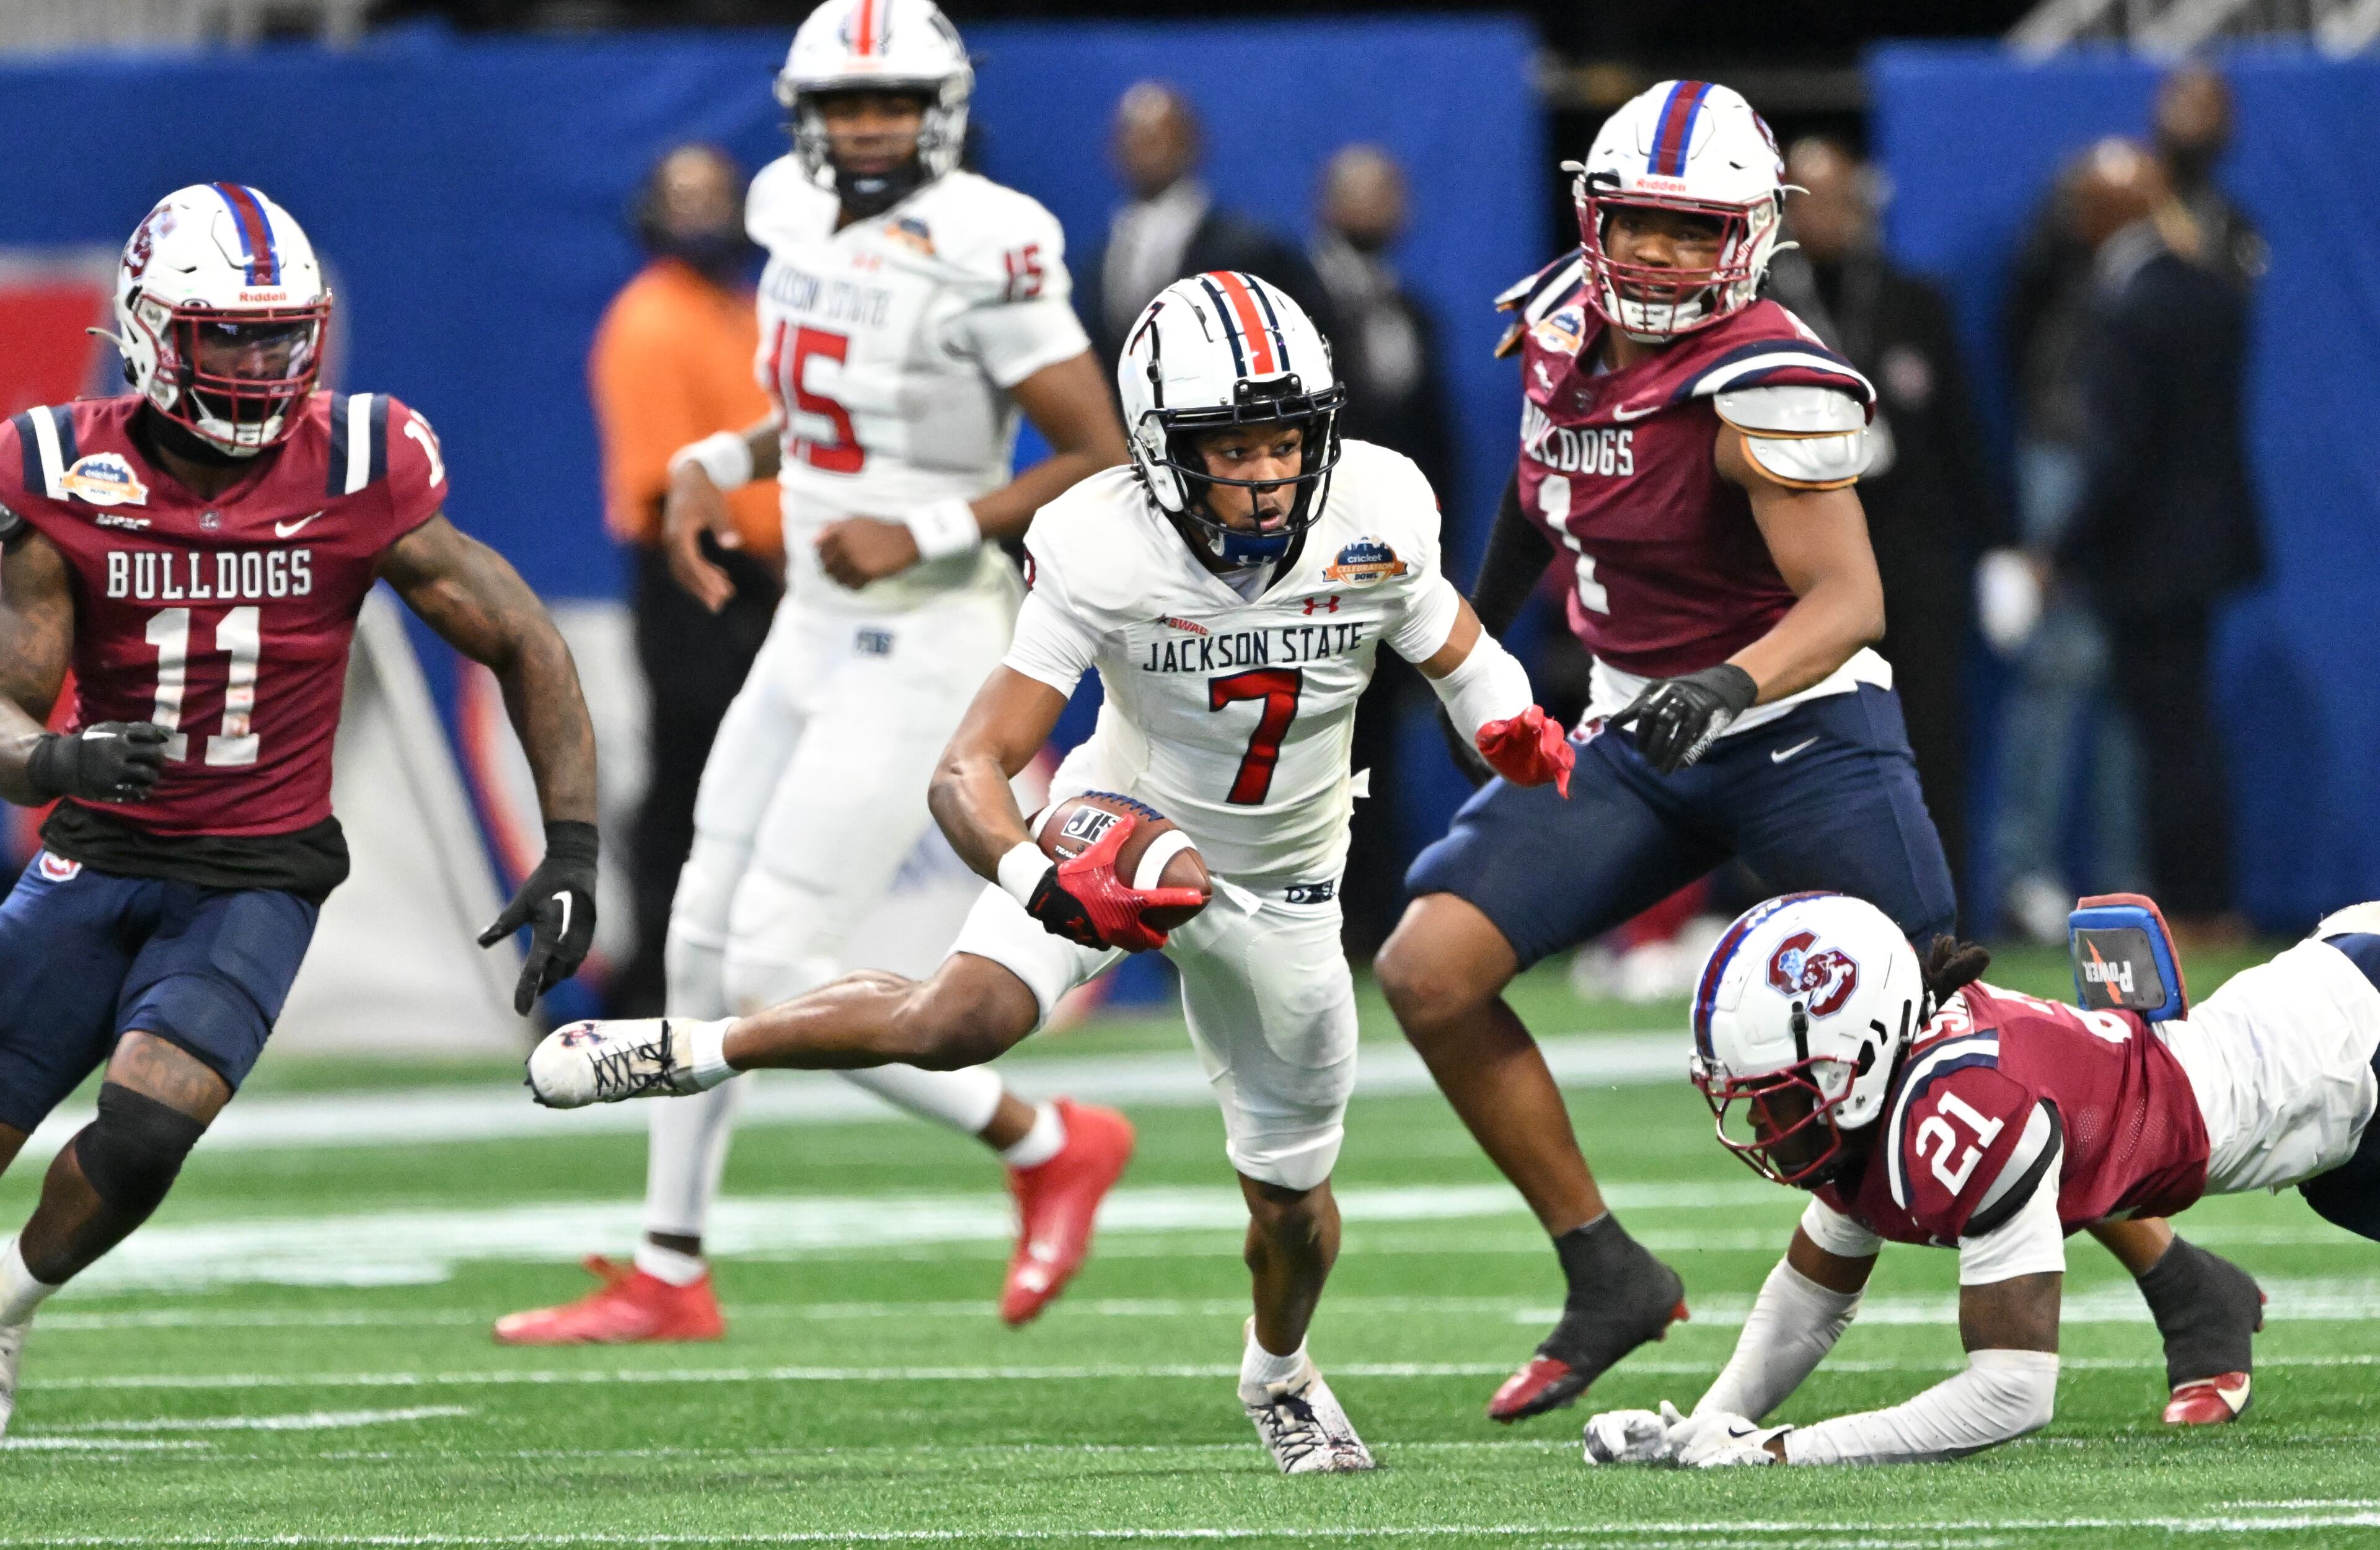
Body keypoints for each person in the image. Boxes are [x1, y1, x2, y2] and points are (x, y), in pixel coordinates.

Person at [520, 273, 1576, 1473]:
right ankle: (689, 1048)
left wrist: (1507, 717)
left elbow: (1450, 638)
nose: (1271, 472)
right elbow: (969, 767)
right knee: (952, 1018)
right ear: (1159, 451)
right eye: (1233, 446)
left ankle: (1278, 1370)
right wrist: (1042, 877)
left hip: (1286, 880)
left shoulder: (1377, 503)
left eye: (1287, 438)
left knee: (1291, 1210)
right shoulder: (1098, 540)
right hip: (1118, 821)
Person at [1373, 79, 2235, 1427]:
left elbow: (1848, 602)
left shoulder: (1766, 371)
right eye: (1638, 221)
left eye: (1689, 225)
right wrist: (1469, 649)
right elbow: (1541, 491)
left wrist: (1720, 684)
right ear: (1595, 213)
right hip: (1638, 721)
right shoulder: (1556, 322)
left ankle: (2186, 1281)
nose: (1656, 251)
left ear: (1752, 232)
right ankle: (1604, 1265)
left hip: (1797, 722)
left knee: (1941, 1037)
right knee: (1429, 965)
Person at [493, 0, 1137, 1348]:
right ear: (802, 115)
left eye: (893, 102)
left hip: (930, 624)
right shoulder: (787, 204)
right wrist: (728, 459)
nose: (867, 126)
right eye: (847, 104)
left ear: (942, 107)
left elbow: (1098, 448)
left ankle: (1043, 1136)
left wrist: (936, 520)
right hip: (814, 621)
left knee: (776, 953)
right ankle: (672, 1262)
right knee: (699, 926)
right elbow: (837, 401)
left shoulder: (993, 240)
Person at [0, 184, 601, 1434]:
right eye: (230, 336)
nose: (260, 363)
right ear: (154, 329)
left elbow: (526, 638)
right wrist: (58, 762)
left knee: (152, 1124)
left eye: (280, 335)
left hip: (256, 868)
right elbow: (3, 710)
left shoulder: (364, 461)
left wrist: (574, 843)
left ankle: (3, 1310)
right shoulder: (61, 468)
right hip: (98, 852)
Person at [1579, 889, 2380, 1467]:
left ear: (1858, 1057)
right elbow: (1808, 1304)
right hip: (2339, 1113)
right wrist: (1705, 1432)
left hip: (2358, 1034)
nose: (1758, 1123)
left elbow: (2011, 1392)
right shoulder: (1882, 1096)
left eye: (1780, 1093)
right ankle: (2206, 1302)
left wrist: (1783, 1451)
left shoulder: (1965, 1112)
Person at [1765, 138, 2007, 901]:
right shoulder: (1763, 311)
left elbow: (1962, 432)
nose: (1826, 218)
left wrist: (2001, 543)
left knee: (1932, 731)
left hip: (1916, 555)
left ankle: (1945, 908)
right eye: (1808, 201)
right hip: (1805, 565)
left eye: (1839, 199)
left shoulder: (1913, 299)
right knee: (1813, 738)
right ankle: (1824, 911)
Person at [591, 144, 783, 1019]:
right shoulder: (649, 319)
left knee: (741, 776)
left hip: (764, 575)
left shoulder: (745, 312)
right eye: (684, 199)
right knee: (692, 773)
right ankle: (654, 975)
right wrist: (758, 561)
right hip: (696, 573)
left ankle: (721, 965)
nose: (702, 215)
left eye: (716, 197)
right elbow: (673, 483)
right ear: (652, 213)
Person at [2055, 139, 2262, 938]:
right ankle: (2203, 894)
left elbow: (2119, 453)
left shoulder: (2130, 298)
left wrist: (2058, 552)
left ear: (2114, 210)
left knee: (2169, 734)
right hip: (2205, 548)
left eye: (2083, 202)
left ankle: (2196, 903)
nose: (2072, 217)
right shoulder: (2204, 284)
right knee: (2185, 728)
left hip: (2149, 555)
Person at [1307, 144, 1457, 959]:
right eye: (1359, 195)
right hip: (1311, 573)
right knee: (1314, 753)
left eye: (1388, 194)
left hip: (1396, 575)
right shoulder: (1293, 304)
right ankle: (1308, 919)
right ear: (1325, 203)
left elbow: (1441, 451)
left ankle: (1370, 925)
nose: (1376, 213)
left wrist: (1437, 564)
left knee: (1384, 758)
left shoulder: (1416, 310)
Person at [1079, 82, 1337, 376]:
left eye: (1157, 139)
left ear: (1191, 144)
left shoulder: (1248, 249)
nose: (1143, 152)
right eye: (1132, 139)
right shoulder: (1102, 258)